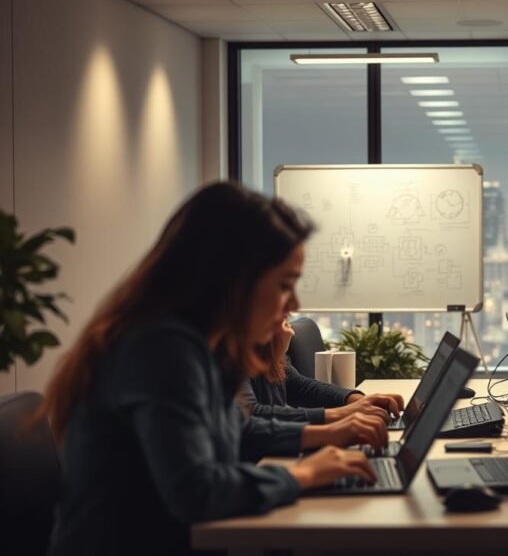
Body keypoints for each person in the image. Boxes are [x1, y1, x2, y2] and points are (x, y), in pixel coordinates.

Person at [41, 183, 387, 556]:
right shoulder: (160, 347)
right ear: (233, 280)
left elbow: (240, 429)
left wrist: (329, 436)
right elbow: (195, 491)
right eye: (285, 285)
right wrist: (302, 473)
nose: (295, 302)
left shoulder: (201, 344)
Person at [242, 319, 405, 424]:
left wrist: (358, 400)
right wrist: (342, 414)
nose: (292, 305)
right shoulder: (229, 356)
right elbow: (252, 414)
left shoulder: (265, 351)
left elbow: (302, 387)